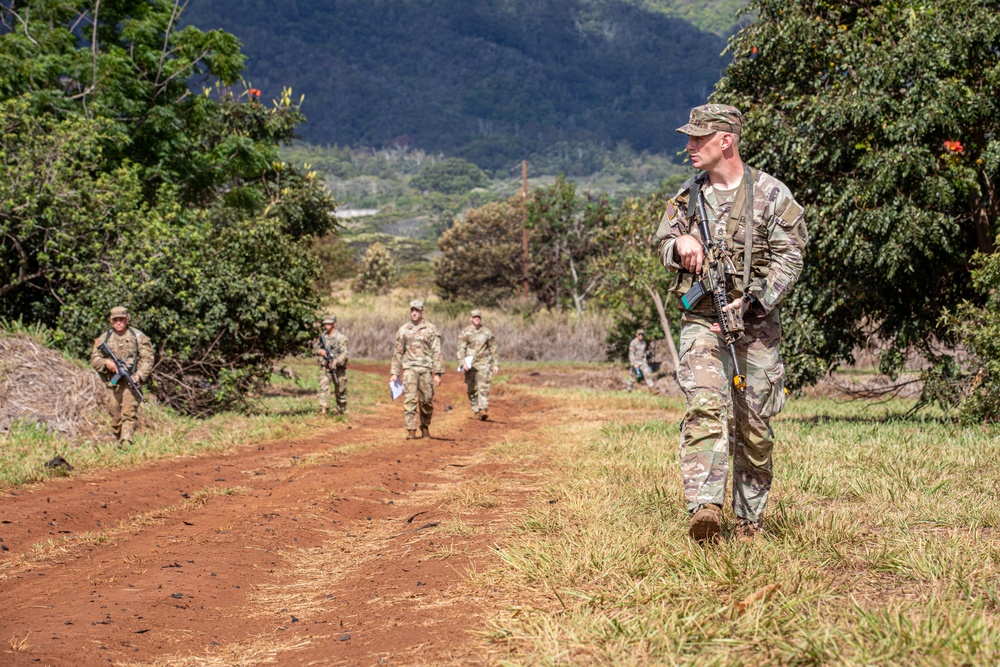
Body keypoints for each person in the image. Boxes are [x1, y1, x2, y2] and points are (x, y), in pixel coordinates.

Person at [655, 103, 808, 542]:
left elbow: (791, 256)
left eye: (698, 138)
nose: (689, 147)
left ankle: (748, 521)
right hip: (702, 321)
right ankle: (705, 507)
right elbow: (662, 241)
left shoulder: (772, 195)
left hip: (755, 327)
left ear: (726, 140)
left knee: (754, 425)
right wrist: (680, 241)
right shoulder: (687, 197)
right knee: (705, 405)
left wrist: (755, 301)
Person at [90, 306, 154, 444]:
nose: (118, 323)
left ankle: (126, 443)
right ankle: (119, 439)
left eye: (121, 319)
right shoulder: (104, 338)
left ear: (127, 319)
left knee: (128, 414)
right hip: (113, 383)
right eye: (115, 320)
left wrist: (139, 375)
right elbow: (94, 359)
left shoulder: (138, 337)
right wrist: (106, 362)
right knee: (115, 415)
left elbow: (148, 358)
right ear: (111, 321)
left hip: (131, 381)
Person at [390, 300, 445, 439]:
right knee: (409, 399)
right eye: (412, 310)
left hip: (426, 369)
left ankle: (425, 426)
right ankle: (411, 430)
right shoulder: (403, 330)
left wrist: (437, 373)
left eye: (417, 310)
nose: (414, 313)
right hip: (409, 368)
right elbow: (398, 352)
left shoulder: (431, 329)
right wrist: (394, 372)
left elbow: (436, 351)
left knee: (426, 400)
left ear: (422, 311)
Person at [457, 308, 499, 420]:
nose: (476, 319)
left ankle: (483, 409)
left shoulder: (487, 332)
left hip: (484, 362)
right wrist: (462, 363)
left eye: (478, 317)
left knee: (483, 386)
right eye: (474, 317)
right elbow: (461, 349)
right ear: (471, 319)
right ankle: (475, 409)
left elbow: (493, 348)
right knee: (472, 389)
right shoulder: (465, 332)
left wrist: (495, 364)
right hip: (470, 364)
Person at [315, 314, 348, 415]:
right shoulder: (323, 337)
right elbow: (316, 348)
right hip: (325, 367)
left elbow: (344, 353)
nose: (327, 326)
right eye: (325, 324)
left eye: (329, 324)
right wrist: (321, 351)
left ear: (334, 324)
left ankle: (341, 409)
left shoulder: (341, 338)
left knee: (340, 389)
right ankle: (323, 409)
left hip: (338, 368)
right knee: (323, 386)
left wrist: (335, 362)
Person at [626, 328, 656, 392]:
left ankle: (652, 388)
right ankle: (629, 389)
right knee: (632, 377)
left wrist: (645, 361)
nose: (641, 336)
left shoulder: (643, 343)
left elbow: (644, 353)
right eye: (639, 334)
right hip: (635, 361)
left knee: (647, 373)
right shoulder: (633, 343)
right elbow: (631, 354)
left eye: (642, 334)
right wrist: (634, 363)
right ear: (636, 335)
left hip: (642, 361)